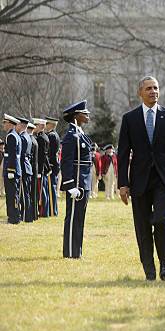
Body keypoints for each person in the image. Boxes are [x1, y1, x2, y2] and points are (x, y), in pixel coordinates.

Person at [118, 76, 165, 281]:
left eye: (156, 88)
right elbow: (122, 153)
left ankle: (164, 260)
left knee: (162, 220)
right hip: (139, 181)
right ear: (140, 92)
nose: (153, 92)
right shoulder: (129, 119)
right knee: (142, 226)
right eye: (148, 88)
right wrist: (123, 184)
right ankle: (149, 269)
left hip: (163, 180)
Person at [60, 100, 94, 259]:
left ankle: (76, 251)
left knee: (79, 218)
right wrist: (69, 185)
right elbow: (65, 162)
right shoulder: (71, 136)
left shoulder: (80, 134)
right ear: (76, 116)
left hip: (84, 183)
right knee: (73, 218)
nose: (87, 115)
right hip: (77, 184)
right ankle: (70, 252)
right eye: (84, 113)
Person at [3, 114, 21, 224]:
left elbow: (12, 155)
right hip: (14, 169)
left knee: (12, 195)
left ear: (9, 123)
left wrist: (10, 170)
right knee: (12, 194)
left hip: (12, 170)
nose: (3, 125)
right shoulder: (14, 135)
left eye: (5, 123)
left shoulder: (11, 136)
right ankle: (13, 216)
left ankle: (14, 217)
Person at [16, 117, 33, 223]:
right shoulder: (27, 136)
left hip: (23, 167)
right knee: (26, 193)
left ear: (21, 125)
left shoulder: (22, 137)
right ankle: (27, 215)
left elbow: (21, 155)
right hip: (27, 167)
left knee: (24, 193)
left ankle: (26, 216)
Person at [33, 118, 51, 217]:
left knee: (41, 191)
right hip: (43, 167)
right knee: (42, 190)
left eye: (36, 125)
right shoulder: (44, 137)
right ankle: (44, 210)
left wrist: (39, 170)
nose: (34, 127)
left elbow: (42, 156)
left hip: (41, 168)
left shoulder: (41, 138)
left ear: (41, 126)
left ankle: (43, 211)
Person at [45, 116, 61, 216]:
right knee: (52, 188)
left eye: (47, 123)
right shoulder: (54, 135)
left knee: (51, 188)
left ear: (51, 124)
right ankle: (53, 209)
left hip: (52, 164)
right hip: (54, 164)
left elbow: (51, 153)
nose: (45, 125)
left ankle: (52, 210)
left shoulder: (51, 136)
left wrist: (49, 165)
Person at [26, 122, 39, 221]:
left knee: (30, 193)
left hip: (30, 169)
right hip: (35, 168)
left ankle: (30, 215)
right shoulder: (34, 140)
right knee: (33, 193)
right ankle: (34, 214)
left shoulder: (29, 140)